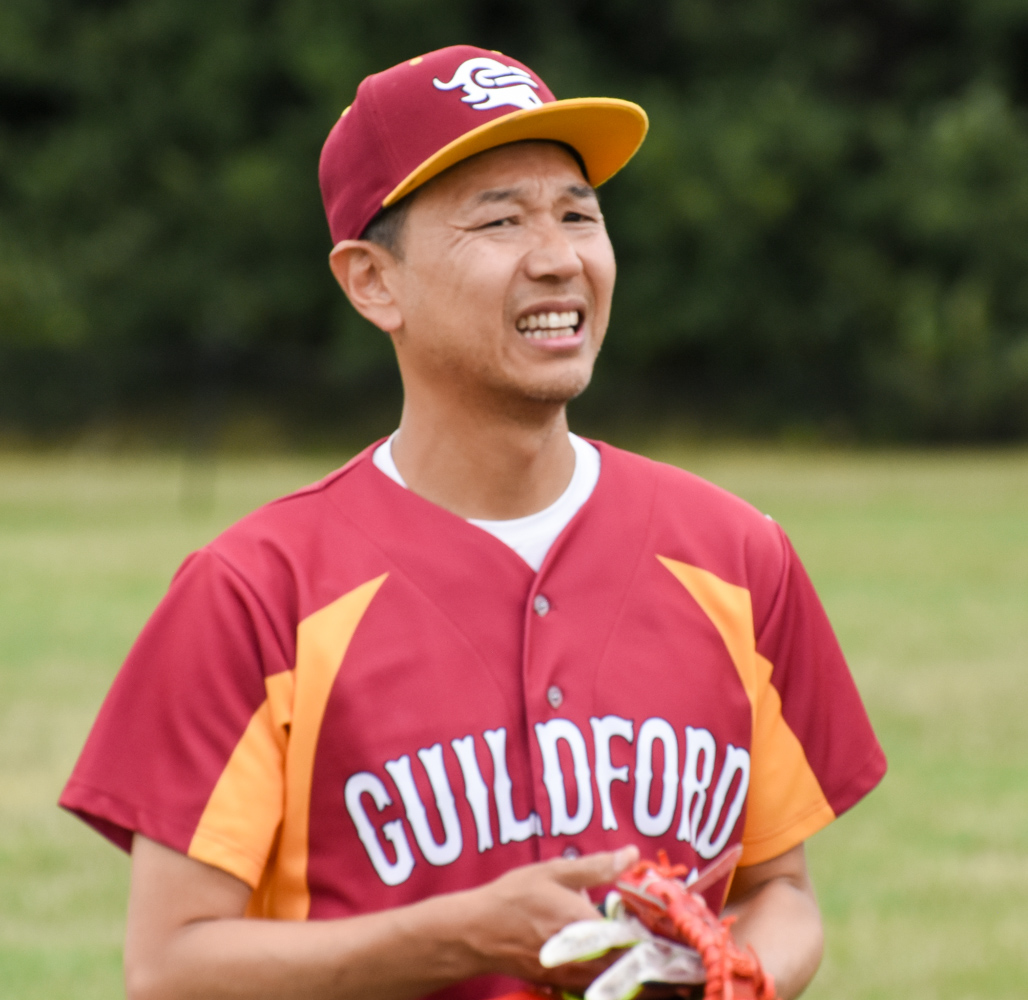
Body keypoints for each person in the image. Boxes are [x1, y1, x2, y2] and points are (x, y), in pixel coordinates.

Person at [61, 44, 886, 1000]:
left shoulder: (737, 555)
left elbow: (781, 891)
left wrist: (732, 976)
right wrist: (458, 939)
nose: (558, 257)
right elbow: (169, 969)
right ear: (373, 282)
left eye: (578, 214)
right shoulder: (255, 593)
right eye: (500, 220)